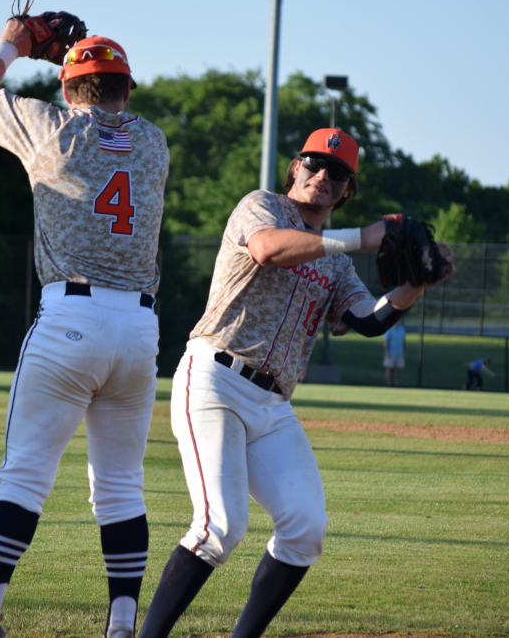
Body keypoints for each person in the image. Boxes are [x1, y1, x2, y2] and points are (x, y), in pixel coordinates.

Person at [137, 128, 455, 638]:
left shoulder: (336, 263)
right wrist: (365, 235)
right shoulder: (260, 206)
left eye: (338, 174)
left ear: (348, 190)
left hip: (273, 406)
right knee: (220, 527)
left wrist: (416, 283)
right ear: (295, 169)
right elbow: (267, 250)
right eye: (313, 165)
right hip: (215, 378)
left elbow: (367, 319)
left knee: (306, 528)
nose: (323, 176)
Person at [0, 13, 169, 638]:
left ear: (68, 90)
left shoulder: (51, 128)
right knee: (122, 489)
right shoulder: (154, 141)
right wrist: (81, 64)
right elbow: (105, 107)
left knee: (24, 474)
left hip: (71, 318)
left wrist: (17, 41)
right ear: (128, 89)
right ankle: (121, 626)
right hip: (139, 334)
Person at [382, 316, 406, 386]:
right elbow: (385, 341)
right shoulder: (389, 329)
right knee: (389, 368)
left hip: (399, 352)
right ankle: (388, 383)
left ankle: (396, 383)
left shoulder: (402, 329)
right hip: (391, 352)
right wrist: (387, 351)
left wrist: (405, 349)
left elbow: (404, 340)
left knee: (399, 368)